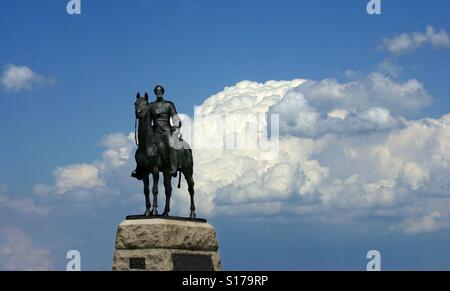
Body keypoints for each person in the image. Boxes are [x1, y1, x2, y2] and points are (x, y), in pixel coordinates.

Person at [131, 85, 181, 179]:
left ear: (162, 92)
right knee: (144, 146)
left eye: (160, 91)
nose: (159, 93)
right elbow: (146, 117)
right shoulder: (151, 106)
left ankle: (174, 166)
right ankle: (139, 168)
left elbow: (176, 118)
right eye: (157, 91)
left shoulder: (169, 104)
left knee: (171, 145)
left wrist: (176, 126)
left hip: (167, 130)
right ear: (155, 93)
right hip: (155, 131)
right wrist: (139, 113)